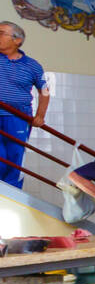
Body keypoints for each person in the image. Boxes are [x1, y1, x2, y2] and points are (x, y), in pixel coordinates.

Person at [0, 21, 49, 190]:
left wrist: (40, 116)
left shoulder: (32, 65)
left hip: (18, 118)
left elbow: (45, 91)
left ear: (17, 40)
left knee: (15, 161)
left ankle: (11, 198)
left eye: (1, 33)